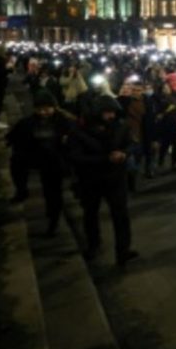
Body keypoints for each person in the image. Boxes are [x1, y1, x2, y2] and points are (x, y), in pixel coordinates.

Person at [68, 94, 139, 266]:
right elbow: (76, 157)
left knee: (121, 215)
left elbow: (130, 144)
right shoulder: (80, 130)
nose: (111, 116)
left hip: (115, 178)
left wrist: (124, 153)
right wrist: (105, 159)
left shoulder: (120, 127)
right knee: (90, 214)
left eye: (113, 112)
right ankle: (93, 245)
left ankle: (123, 250)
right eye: (107, 113)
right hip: (91, 180)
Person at [6, 89, 74, 235]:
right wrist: (8, 141)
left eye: (47, 109)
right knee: (16, 162)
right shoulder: (28, 122)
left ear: (54, 107)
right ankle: (21, 191)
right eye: (40, 109)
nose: (43, 112)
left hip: (54, 162)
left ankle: (53, 220)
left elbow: (76, 139)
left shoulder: (64, 122)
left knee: (53, 193)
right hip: (34, 156)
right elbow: (15, 135)